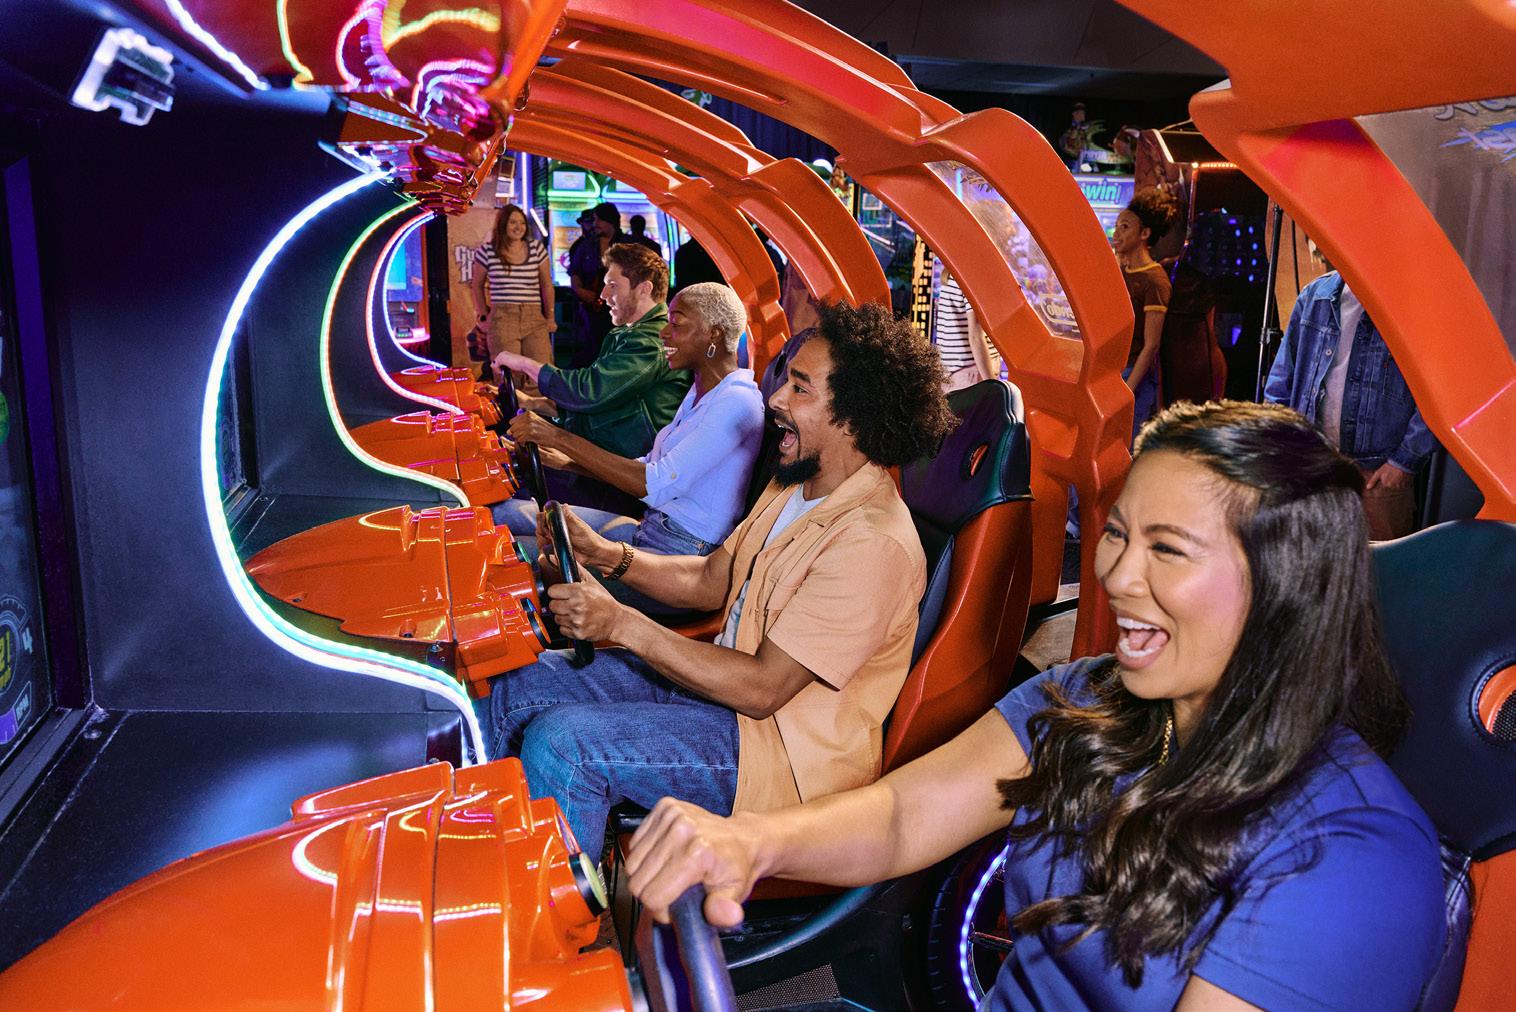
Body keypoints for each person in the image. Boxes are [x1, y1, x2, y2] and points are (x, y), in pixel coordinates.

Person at [625, 400, 1446, 1011]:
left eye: (1167, 549)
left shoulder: (1351, 857)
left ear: (1284, 587)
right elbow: (904, 816)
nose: (1115, 575)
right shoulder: (1092, 695)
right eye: (1117, 535)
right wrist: (750, 842)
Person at [486, 300, 958, 854]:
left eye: (800, 389)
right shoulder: (794, 485)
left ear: (855, 416)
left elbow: (762, 689)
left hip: (779, 758)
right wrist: (606, 554)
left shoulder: (872, 542)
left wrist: (620, 623)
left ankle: (562, 906)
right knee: (517, 681)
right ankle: (493, 855)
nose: (775, 399)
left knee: (564, 744)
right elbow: (711, 578)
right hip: (718, 698)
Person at [497, 282, 764, 615]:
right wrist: (566, 462)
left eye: (676, 324)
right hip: (650, 532)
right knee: (502, 519)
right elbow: (649, 464)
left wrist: (558, 437)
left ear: (714, 334)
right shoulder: (703, 393)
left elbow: (655, 483)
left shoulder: (737, 401)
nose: (664, 333)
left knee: (513, 561)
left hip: (678, 561)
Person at [495, 243, 690, 513]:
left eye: (613, 285)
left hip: (618, 481)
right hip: (599, 461)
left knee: (501, 505)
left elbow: (590, 391)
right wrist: (533, 403)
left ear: (643, 289)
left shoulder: (650, 342)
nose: (603, 294)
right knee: (504, 462)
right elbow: (602, 405)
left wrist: (525, 364)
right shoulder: (631, 334)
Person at [1264, 247, 1433, 540]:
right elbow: (1281, 381)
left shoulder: (1411, 303)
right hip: (1313, 468)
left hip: (1376, 477)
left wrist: (1404, 462)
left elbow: (1436, 396)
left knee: (1379, 566)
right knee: (1311, 560)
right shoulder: (1315, 295)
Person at [1113, 188, 1179, 435]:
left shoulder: (1155, 280)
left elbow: (1151, 346)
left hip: (1134, 374)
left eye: (1125, 227)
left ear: (1144, 234)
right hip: (1114, 371)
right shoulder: (1122, 271)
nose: (1116, 233)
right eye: (1117, 226)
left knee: (1128, 446)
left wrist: (1127, 390)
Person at [470, 204, 555, 391]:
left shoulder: (536, 248)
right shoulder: (488, 251)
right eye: (512, 222)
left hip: (534, 316)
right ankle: (511, 410)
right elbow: (476, 285)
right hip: (503, 317)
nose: (518, 227)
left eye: (522, 223)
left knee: (541, 371)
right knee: (508, 375)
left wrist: (550, 317)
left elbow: (546, 285)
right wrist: (483, 316)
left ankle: (541, 410)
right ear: (503, 224)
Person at [565, 202, 624, 368]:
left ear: (610, 221)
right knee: (592, 349)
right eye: (594, 220)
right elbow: (575, 272)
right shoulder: (585, 245)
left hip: (619, 307)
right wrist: (579, 290)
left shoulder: (626, 244)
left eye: (599, 220)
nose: (595, 224)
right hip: (592, 308)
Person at [933, 269, 998, 392]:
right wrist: (993, 386)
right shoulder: (972, 277)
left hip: (952, 375)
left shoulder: (954, 274)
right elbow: (976, 337)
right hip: (973, 374)